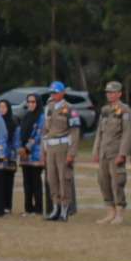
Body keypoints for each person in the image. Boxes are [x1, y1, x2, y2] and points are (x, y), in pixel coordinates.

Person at [92, 82, 131, 224]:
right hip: (104, 151)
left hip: (116, 152)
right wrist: (96, 150)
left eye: (112, 92)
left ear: (119, 93)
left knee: (117, 182)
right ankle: (110, 212)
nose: (109, 94)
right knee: (103, 181)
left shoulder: (125, 110)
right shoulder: (105, 110)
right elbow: (99, 132)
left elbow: (128, 133)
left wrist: (122, 154)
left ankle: (119, 213)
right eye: (107, 92)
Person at [39, 85, 80, 221]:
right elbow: (45, 131)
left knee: (64, 179)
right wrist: (42, 151)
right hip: (50, 147)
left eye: (56, 93)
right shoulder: (49, 108)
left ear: (62, 93)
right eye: (51, 93)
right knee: (52, 179)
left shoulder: (70, 108)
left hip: (63, 147)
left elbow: (75, 132)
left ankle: (65, 208)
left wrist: (71, 153)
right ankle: (55, 208)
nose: (53, 95)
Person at [16, 96, 46, 215]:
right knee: (26, 182)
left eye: (33, 102)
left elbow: (39, 134)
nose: (31, 104)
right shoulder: (26, 116)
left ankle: (38, 209)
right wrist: (20, 148)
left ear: (38, 103)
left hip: (36, 154)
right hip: (24, 156)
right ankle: (28, 209)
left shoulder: (41, 117)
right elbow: (20, 133)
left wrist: (27, 148)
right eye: (29, 102)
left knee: (35, 182)